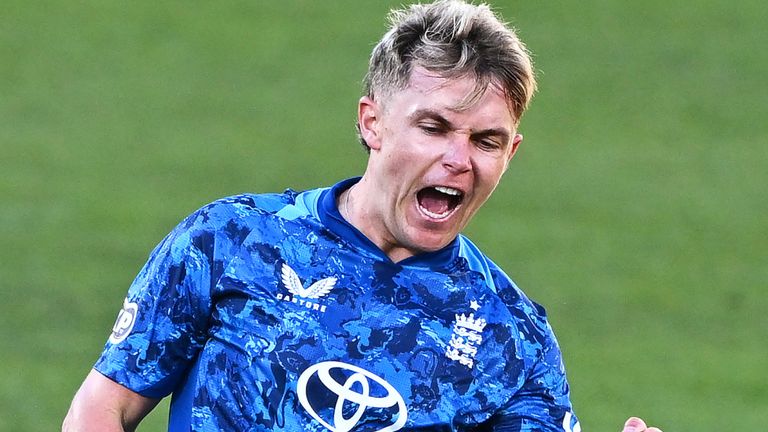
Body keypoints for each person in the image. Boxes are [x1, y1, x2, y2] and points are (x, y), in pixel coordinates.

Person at [63, 1, 662, 431]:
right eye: (433, 127)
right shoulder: (231, 240)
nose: (458, 159)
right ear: (372, 122)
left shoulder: (513, 337)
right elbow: (103, 408)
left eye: (486, 140)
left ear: (511, 152)